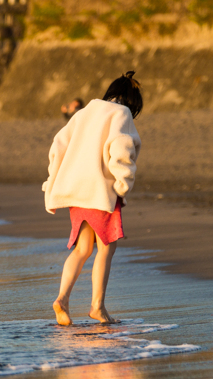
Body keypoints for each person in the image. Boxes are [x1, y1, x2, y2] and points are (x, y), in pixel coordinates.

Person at [42, 71, 143, 326]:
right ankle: (97, 306)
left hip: (76, 190)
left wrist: (52, 182)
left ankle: (62, 299)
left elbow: (58, 146)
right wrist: (122, 183)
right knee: (106, 247)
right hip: (101, 190)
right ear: (131, 103)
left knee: (83, 249)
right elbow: (122, 148)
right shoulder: (122, 114)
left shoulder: (84, 112)